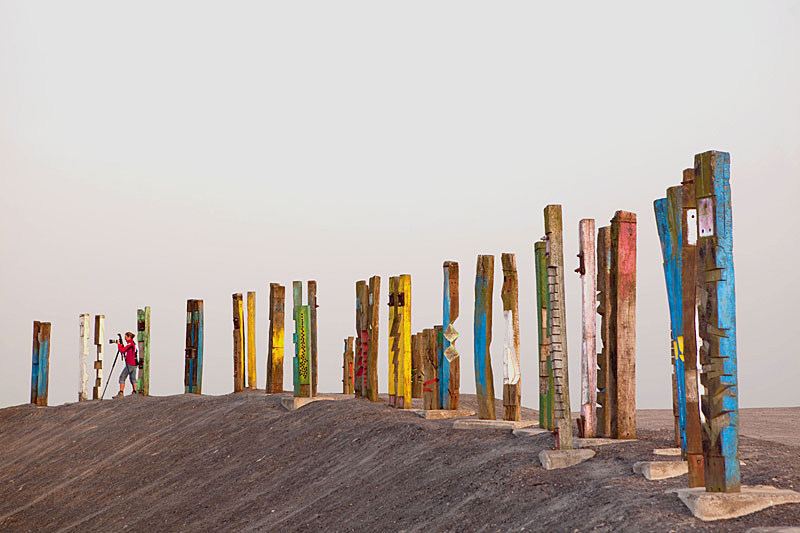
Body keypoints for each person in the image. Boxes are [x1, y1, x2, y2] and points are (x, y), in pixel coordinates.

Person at [113, 332, 139, 398]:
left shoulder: (130, 344)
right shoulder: (133, 344)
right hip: (134, 364)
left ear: (129, 337)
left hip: (130, 364)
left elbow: (122, 350)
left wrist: (119, 345)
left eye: (126, 337)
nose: (125, 338)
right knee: (133, 378)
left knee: (122, 377)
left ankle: (121, 392)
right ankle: (135, 391)